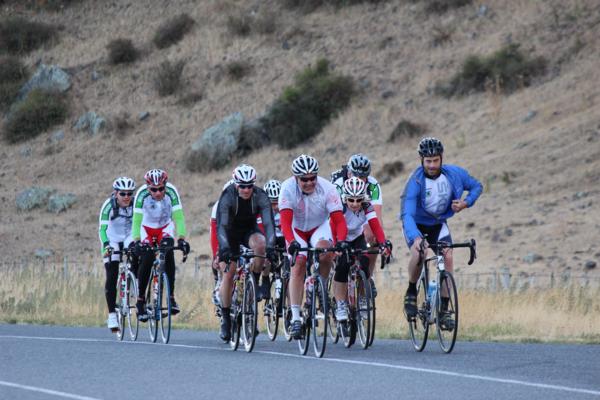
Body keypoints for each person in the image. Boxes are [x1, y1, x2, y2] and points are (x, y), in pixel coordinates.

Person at [400, 137, 482, 330]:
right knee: (419, 253)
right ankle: (411, 292)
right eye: (428, 161)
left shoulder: (454, 174)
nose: (432, 165)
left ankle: (444, 310)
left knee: (448, 255)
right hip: (416, 225)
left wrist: (466, 202)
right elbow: (407, 214)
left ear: (441, 158)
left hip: (438, 224)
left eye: (436, 160)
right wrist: (416, 238)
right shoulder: (415, 181)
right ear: (421, 160)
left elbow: (477, 186)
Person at [279, 154, 348, 339]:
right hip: (296, 230)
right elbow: (285, 222)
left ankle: (320, 285)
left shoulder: (328, 188)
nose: (310, 182)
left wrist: (340, 241)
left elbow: (339, 221)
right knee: (298, 264)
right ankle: (295, 317)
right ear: (296, 178)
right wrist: (291, 242)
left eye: (313, 178)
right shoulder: (287, 189)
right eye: (304, 179)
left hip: (319, 226)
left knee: (326, 252)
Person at [216, 164, 277, 342]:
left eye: (250, 185)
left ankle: (255, 281)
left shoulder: (260, 196)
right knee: (229, 273)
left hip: (248, 231)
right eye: (242, 186)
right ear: (236, 185)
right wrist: (225, 249)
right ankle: (226, 318)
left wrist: (271, 247)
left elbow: (268, 224)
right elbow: (221, 225)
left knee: (261, 245)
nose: (246, 189)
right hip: (229, 234)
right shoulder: (228, 196)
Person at [131, 169, 190, 321]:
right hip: (146, 228)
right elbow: (136, 221)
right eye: (154, 190)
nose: (158, 193)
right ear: (147, 187)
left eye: (161, 189)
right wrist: (137, 241)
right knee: (148, 257)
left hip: (164, 226)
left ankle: (170, 297)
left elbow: (179, 217)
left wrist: (182, 238)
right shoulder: (141, 194)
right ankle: (141, 301)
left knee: (168, 251)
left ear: (165, 185)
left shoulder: (172, 192)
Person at [331, 177, 391, 323]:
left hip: (357, 236)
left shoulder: (366, 206)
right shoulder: (339, 206)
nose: (355, 204)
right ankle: (341, 304)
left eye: (358, 200)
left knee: (365, 263)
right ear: (345, 198)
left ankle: (363, 299)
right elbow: (334, 227)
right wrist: (337, 245)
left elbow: (375, 225)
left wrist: (383, 243)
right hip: (340, 236)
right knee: (343, 267)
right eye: (351, 200)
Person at [331, 154, 383, 294]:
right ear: (349, 172)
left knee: (372, 239)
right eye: (355, 175)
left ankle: (366, 279)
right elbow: (333, 218)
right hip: (340, 217)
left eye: (363, 177)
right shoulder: (339, 185)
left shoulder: (372, 185)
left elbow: (376, 215)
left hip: (362, 216)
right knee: (340, 260)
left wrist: (377, 239)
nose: (359, 180)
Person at [98, 176, 137, 331]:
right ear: (115, 193)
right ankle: (112, 315)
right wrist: (106, 245)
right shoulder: (108, 206)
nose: (126, 197)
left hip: (128, 236)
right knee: (112, 273)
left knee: (138, 252)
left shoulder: (135, 204)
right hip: (112, 239)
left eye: (129, 193)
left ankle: (135, 282)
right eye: (123, 194)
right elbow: (102, 230)